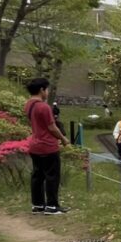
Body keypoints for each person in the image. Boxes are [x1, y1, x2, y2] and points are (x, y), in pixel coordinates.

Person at [23, 78, 70, 215]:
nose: (48, 92)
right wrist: (63, 138)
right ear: (42, 90)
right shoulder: (43, 107)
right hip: (48, 146)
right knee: (52, 176)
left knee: (37, 176)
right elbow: (52, 127)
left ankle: (37, 205)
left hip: (35, 145)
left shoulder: (29, 105)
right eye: (47, 89)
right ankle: (52, 206)